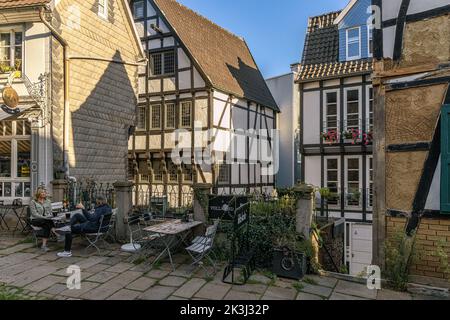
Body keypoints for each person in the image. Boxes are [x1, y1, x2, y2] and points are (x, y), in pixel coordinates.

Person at [29, 188, 54, 252]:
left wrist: (49, 215)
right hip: (35, 220)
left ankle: (43, 246)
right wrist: (44, 217)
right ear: (38, 193)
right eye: (42, 192)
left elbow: (50, 211)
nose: (44, 193)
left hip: (46, 220)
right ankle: (55, 232)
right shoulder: (33, 202)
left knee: (46, 225)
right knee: (47, 222)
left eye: (44, 192)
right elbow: (34, 214)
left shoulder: (48, 201)